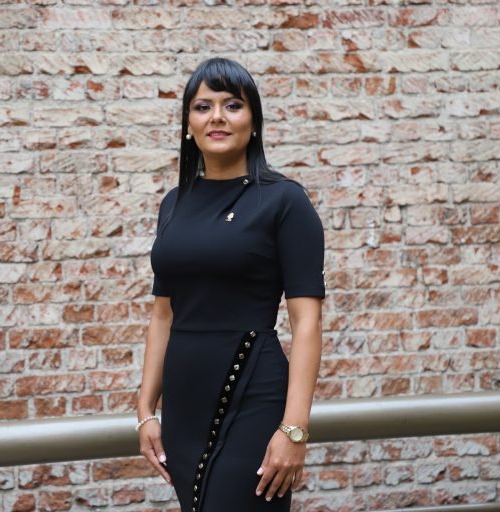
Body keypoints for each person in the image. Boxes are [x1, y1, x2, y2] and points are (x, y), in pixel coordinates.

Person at [136, 57, 325, 512]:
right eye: (203, 107)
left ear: (253, 121)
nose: (217, 117)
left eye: (232, 105)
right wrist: (144, 412)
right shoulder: (173, 204)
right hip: (184, 407)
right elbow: (163, 315)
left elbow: (307, 323)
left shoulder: (285, 200)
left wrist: (294, 428)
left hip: (252, 397)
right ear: (188, 124)